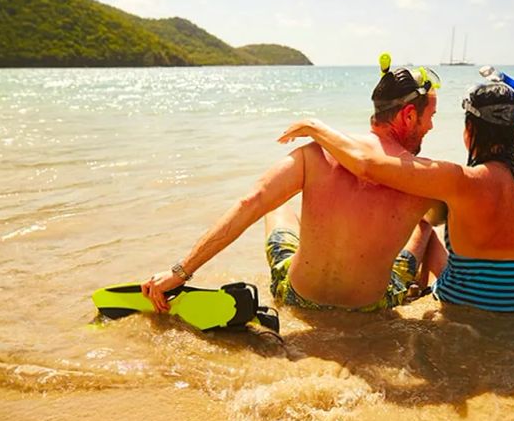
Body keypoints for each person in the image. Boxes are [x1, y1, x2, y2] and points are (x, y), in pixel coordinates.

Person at [141, 67, 447, 313]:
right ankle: (437, 295)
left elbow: (250, 202)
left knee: (271, 204)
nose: (431, 127)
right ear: (408, 115)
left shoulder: (315, 155)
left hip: (297, 296)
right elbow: (448, 220)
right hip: (369, 307)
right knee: (425, 229)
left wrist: (180, 272)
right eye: (430, 117)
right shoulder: (423, 177)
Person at [279, 81, 514, 319]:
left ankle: (411, 290)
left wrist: (315, 128)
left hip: (458, 312)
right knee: (432, 232)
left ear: (469, 132)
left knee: (427, 229)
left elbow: (366, 163)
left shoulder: (458, 180)